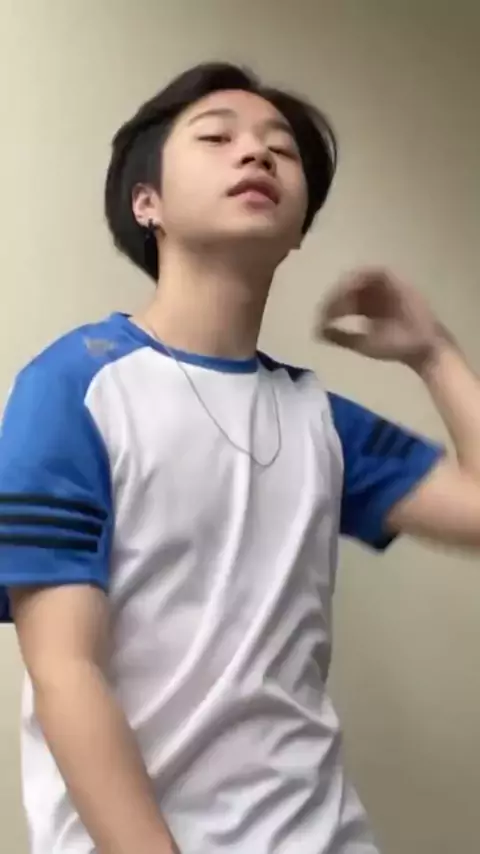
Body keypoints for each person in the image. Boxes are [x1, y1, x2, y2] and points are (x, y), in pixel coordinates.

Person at [0, 62, 478, 854]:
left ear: (299, 228)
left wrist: (434, 352)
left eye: (279, 150)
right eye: (217, 138)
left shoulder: (320, 419)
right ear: (146, 203)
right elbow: (64, 672)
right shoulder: (72, 386)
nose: (256, 154)